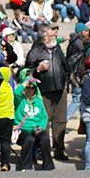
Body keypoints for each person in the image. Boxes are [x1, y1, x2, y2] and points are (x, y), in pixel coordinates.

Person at [25, 24, 70, 161]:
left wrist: (66, 86)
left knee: (60, 122)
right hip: (43, 91)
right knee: (44, 122)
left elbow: (66, 69)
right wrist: (38, 69)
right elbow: (26, 72)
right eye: (51, 35)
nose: (54, 37)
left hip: (60, 91)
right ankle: (42, 150)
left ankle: (59, 149)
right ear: (44, 38)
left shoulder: (57, 50)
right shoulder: (35, 51)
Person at [13, 78, 54, 171]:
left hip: (35, 128)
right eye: (28, 87)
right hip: (22, 129)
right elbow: (16, 93)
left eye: (32, 88)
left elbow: (44, 117)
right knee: (28, 139)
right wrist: (25, 83)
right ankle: (25, 165)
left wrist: (41, 127)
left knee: (45, 138)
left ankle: (48, 165)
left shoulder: (38, 101)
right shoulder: (20, 100)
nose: (30, 90)